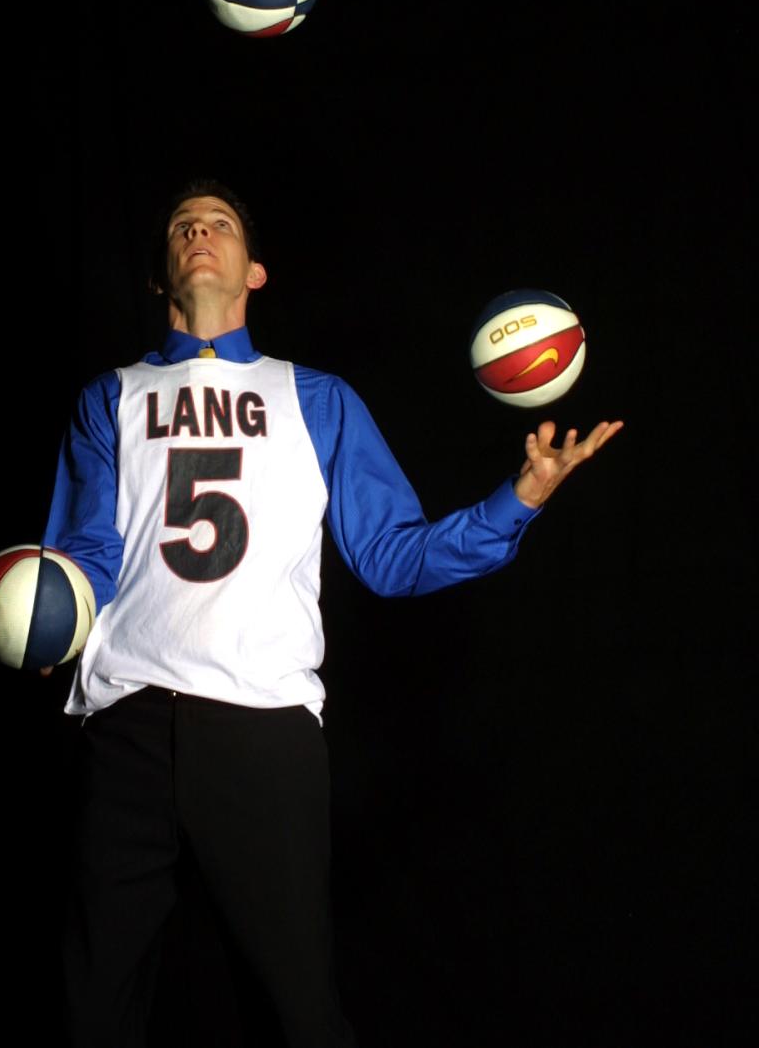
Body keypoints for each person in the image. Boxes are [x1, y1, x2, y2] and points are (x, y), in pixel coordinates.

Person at [42, 181, 622, 1048]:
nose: (200, 231)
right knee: (88, 1012)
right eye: (181, 227)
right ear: (162, 277)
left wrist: (518, 501)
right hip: (126, 726)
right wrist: (44, 617)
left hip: (264, 727)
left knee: (298, 1017)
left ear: (256, 270)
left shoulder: (316, 399)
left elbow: (393, 556)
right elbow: (84, 562)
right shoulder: (107, 399)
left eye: (221, 224)